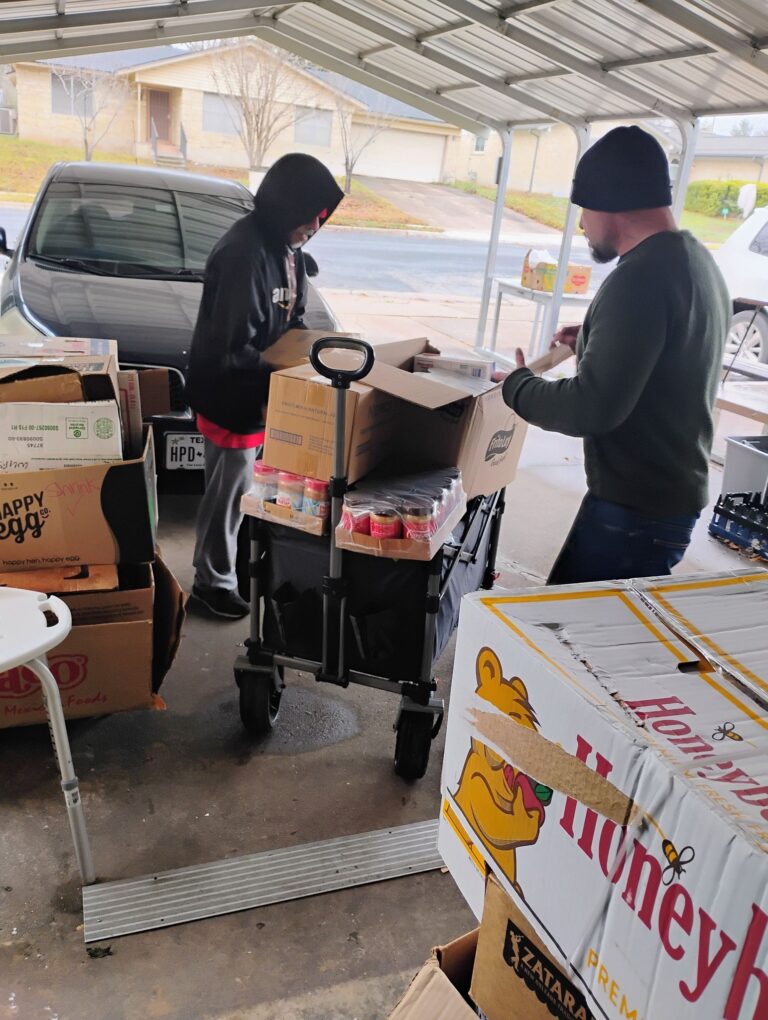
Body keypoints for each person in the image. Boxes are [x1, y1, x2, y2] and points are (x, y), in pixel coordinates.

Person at [501, 126, 729, 585]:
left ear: (610, 203)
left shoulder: (639, 280)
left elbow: (591, 408)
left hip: (634, 514)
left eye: (583, 208)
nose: (582, 224)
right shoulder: (695, 261)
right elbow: (670, 351)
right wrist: (593, 337)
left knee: (562, 643)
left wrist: (516, 385)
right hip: (665, 501)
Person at [186, 154, 343, 618]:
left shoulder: (285, 249)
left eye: (322, 216)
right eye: (310, 214)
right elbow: (232, 345)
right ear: (286, 205)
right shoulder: (244, 253)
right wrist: (278, 373)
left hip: (259, 395)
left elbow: (292, 321)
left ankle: (232, 566)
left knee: (243, 491)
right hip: (230, 395)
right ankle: (209, 583)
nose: (316, 224)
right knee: (226, 492)